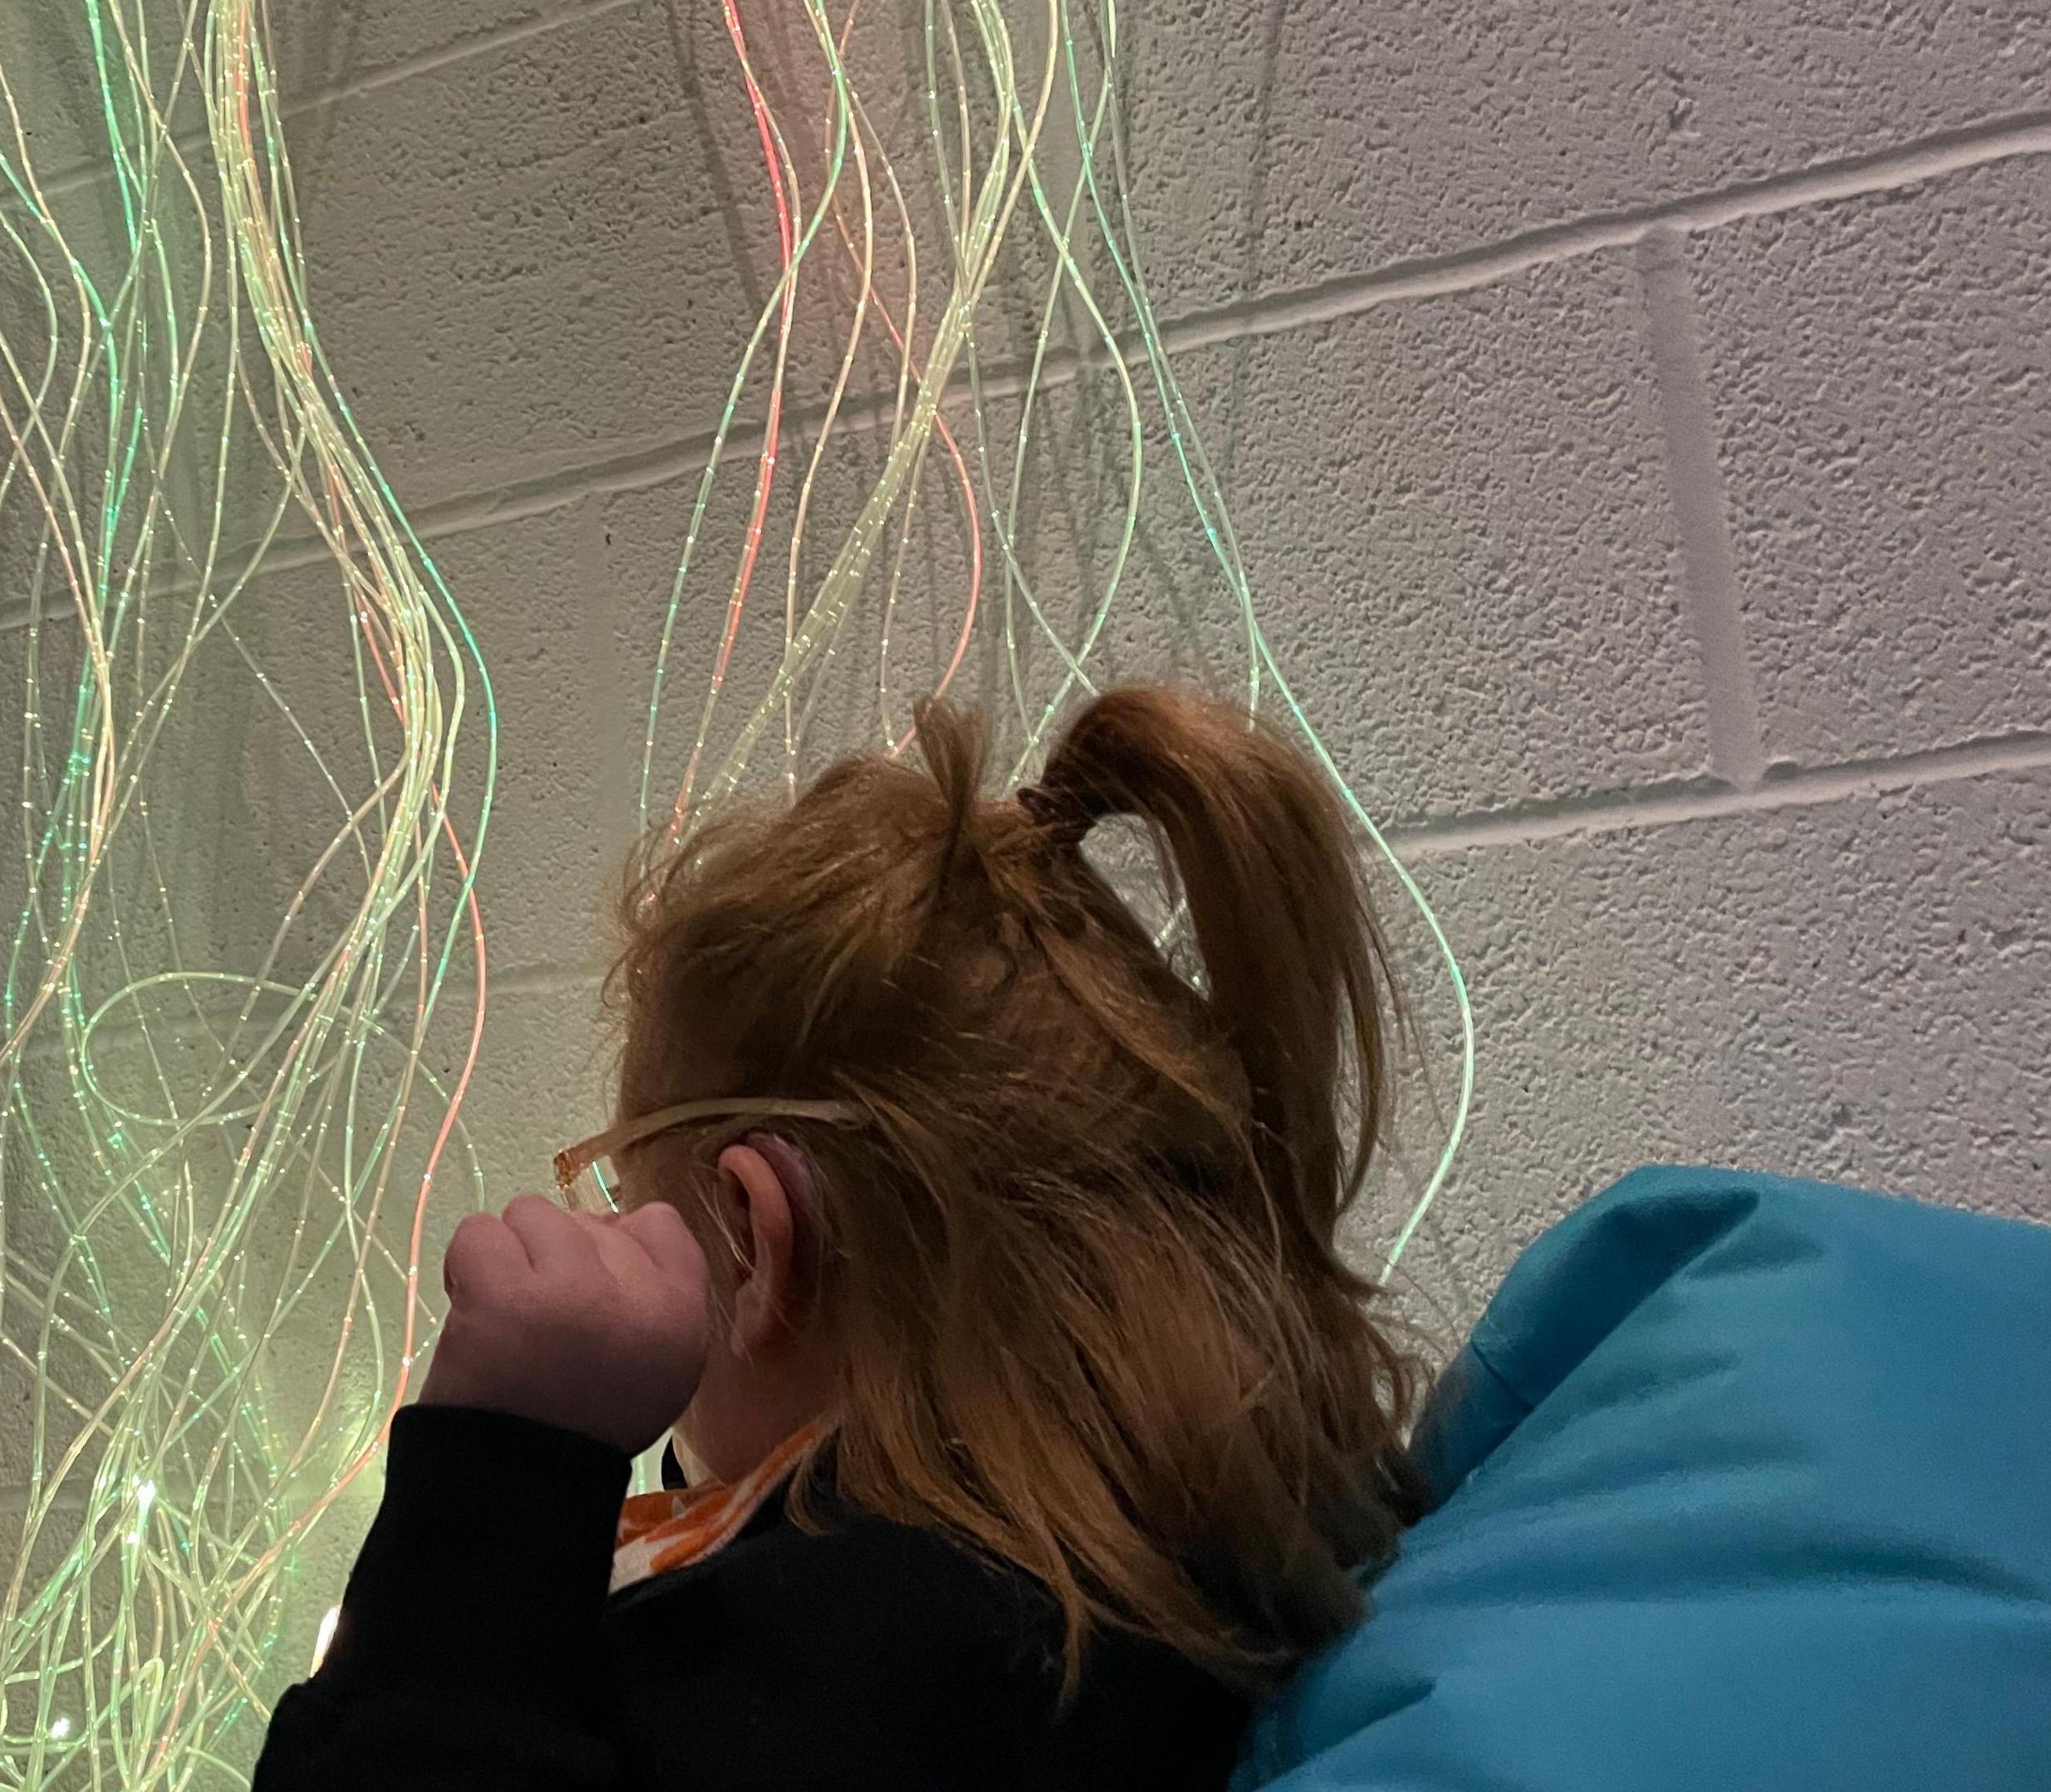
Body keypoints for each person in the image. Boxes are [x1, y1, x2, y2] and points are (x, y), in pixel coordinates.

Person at [253, 686, 1425, 1790]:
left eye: (637, 1201)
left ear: (755, 1242)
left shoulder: (804, 1669)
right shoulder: (1256, 1541)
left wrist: (501, 1473)